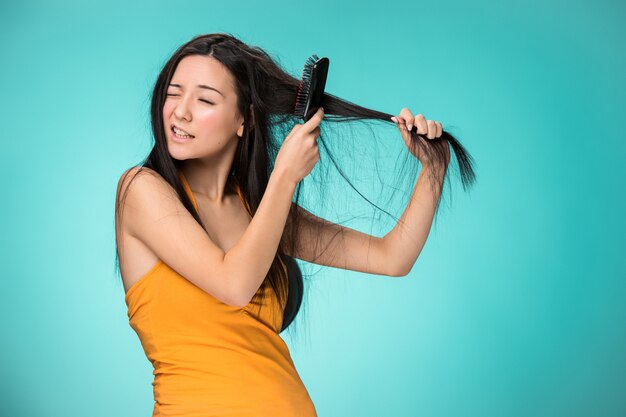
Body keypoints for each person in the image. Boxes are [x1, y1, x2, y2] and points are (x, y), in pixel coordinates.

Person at [114, 32, 473, 417]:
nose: (180, 111)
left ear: (244, 119)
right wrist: (285, 176)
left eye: (204, 99)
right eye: (173, 93)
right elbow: (233, 284)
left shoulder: (261, 210)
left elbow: (392, 257)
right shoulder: (140, 190)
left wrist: (434, 170)